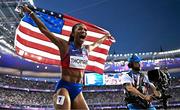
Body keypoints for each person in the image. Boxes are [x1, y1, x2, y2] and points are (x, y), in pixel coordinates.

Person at [22, 5, 114, 110]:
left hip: (77, 89)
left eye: (85, 30)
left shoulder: (86, 49)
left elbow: (96, 44)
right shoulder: (65, 46)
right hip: (63, 88)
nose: (84, 31)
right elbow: (44, 30)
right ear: (73, 33)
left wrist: (106, 37)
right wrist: (31, 13)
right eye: (80, 29)